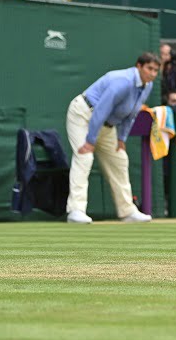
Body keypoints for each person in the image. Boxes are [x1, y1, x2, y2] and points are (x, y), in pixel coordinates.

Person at [64, 53, 158, 224]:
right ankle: (75, 211)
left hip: (107, 126)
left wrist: (122, 138)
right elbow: (101, 109)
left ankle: (127, 211)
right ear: (139, 66)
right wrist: (90, 140)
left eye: (156, 71)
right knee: (84, 157)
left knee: (119, 160)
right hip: (84, 114)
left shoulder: (147, 86)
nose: (152, 74)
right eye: (149, 69)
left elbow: (132, 113)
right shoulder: (122, 81)